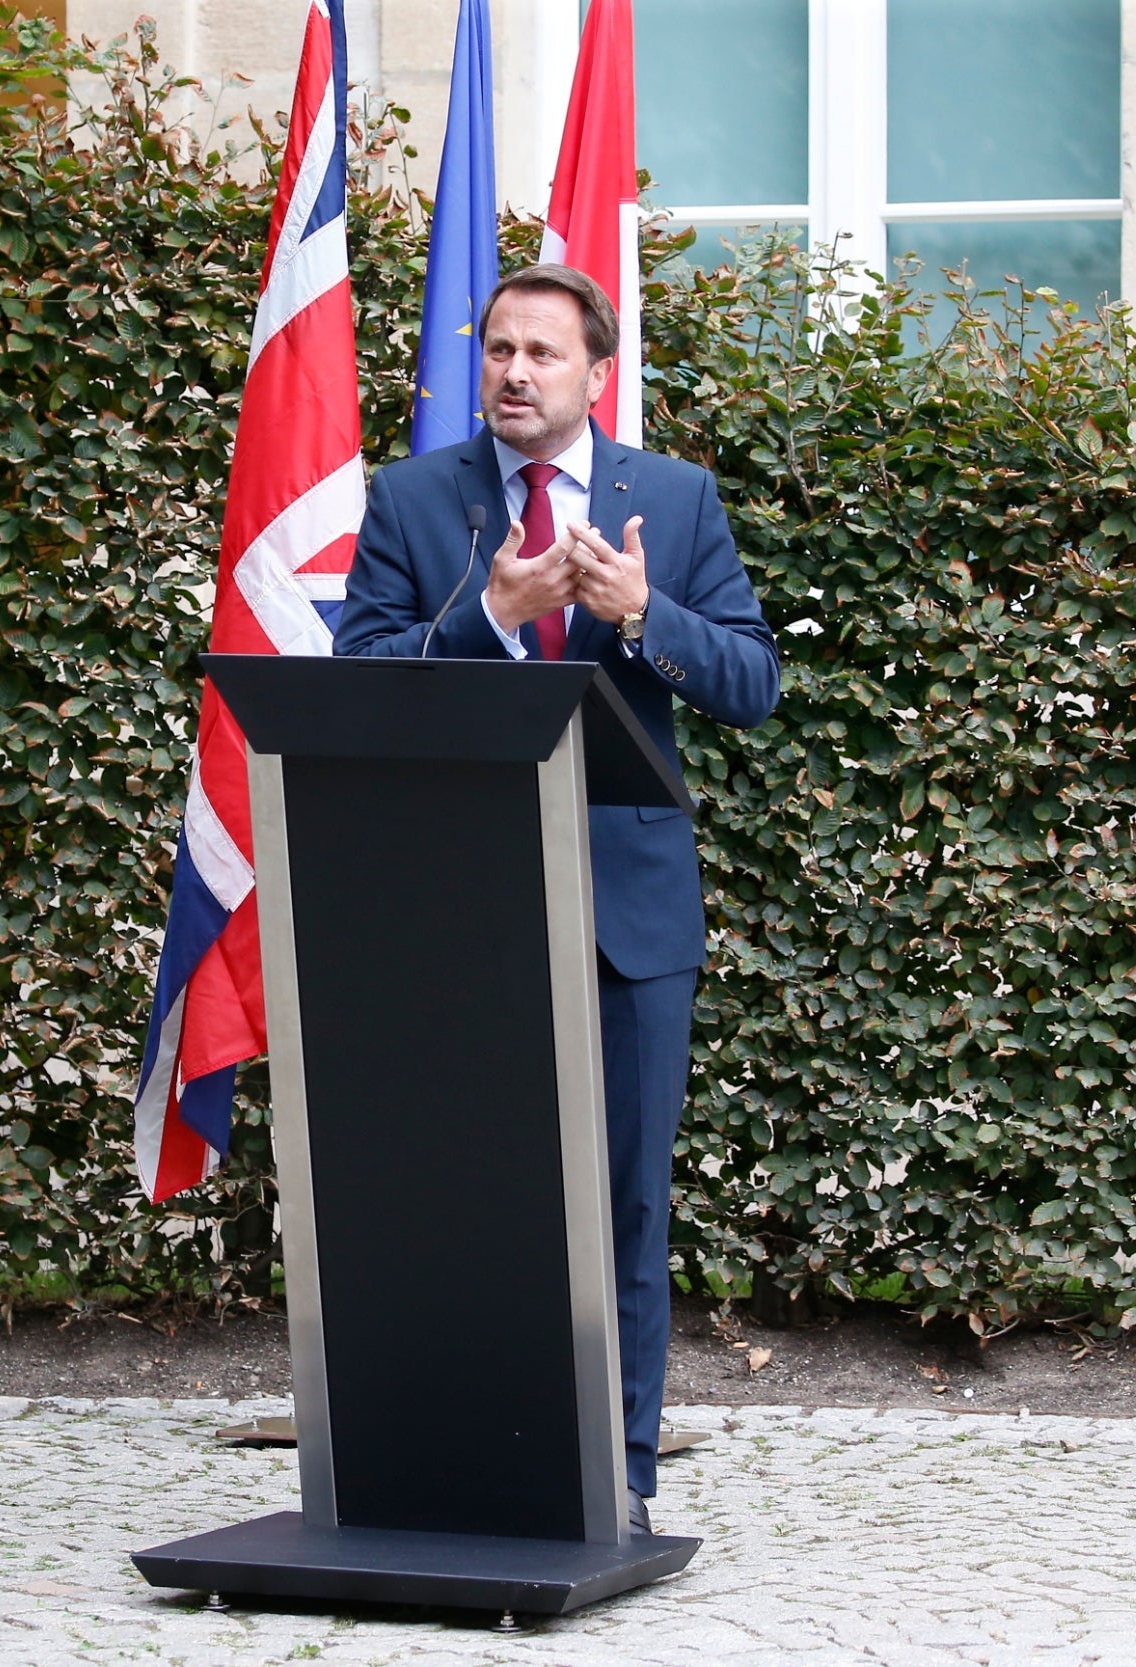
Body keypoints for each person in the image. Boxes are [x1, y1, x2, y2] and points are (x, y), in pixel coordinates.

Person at [333, 262, 781, 1535]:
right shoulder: (417, 500)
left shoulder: (676, 500)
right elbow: (356, 684)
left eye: (541, 353)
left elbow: (751, 682)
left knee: (628, 1202)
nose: (515, 373)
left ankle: (619, 1481)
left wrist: (645, 613)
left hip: (625, 913)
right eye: (498, 351)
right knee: (456, 1194)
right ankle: (456, 1459)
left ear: (595, 375)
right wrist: (487, 613)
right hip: (454, 906)